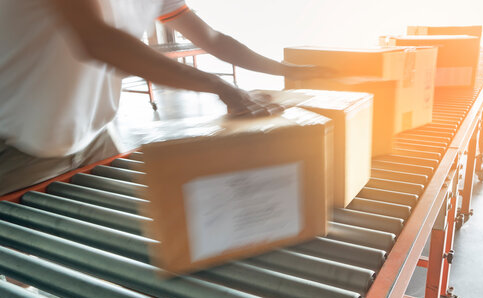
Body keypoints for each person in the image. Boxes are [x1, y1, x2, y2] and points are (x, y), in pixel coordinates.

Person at [0, 0, 332, 196]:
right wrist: (221, 86)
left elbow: (213, 38)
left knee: (121, 237)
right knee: (25, 267)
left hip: (92, 136)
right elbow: (99, 40)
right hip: (18, 145)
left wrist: (287, 69)